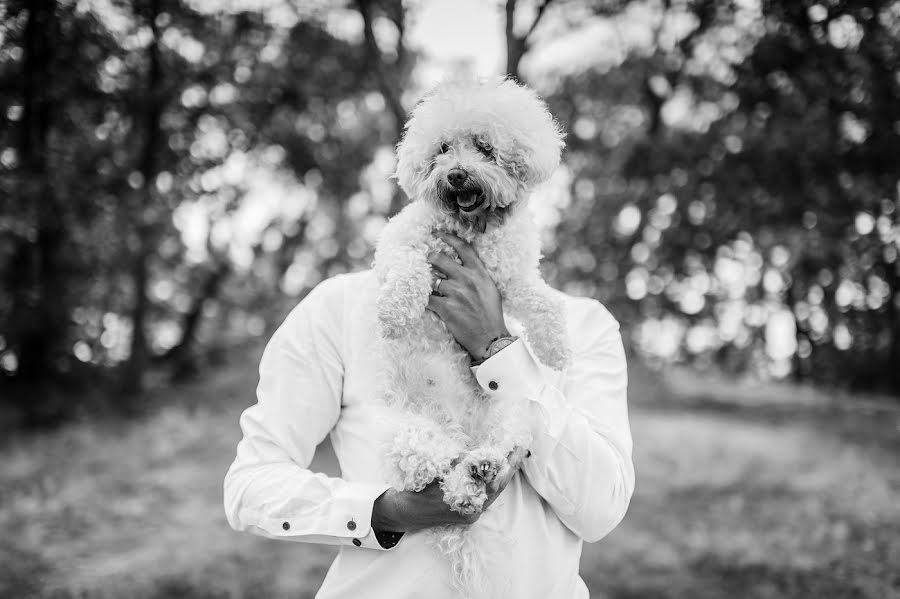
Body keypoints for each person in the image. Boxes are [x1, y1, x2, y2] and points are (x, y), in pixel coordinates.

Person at [223, 231, 635, 598]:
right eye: (444, 149)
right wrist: (384, 512)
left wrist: (497, 347)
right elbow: (250, 485)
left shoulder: (580, 326)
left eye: (489, 150)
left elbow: (600, 508)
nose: (462, 170)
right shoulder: (341, 308)